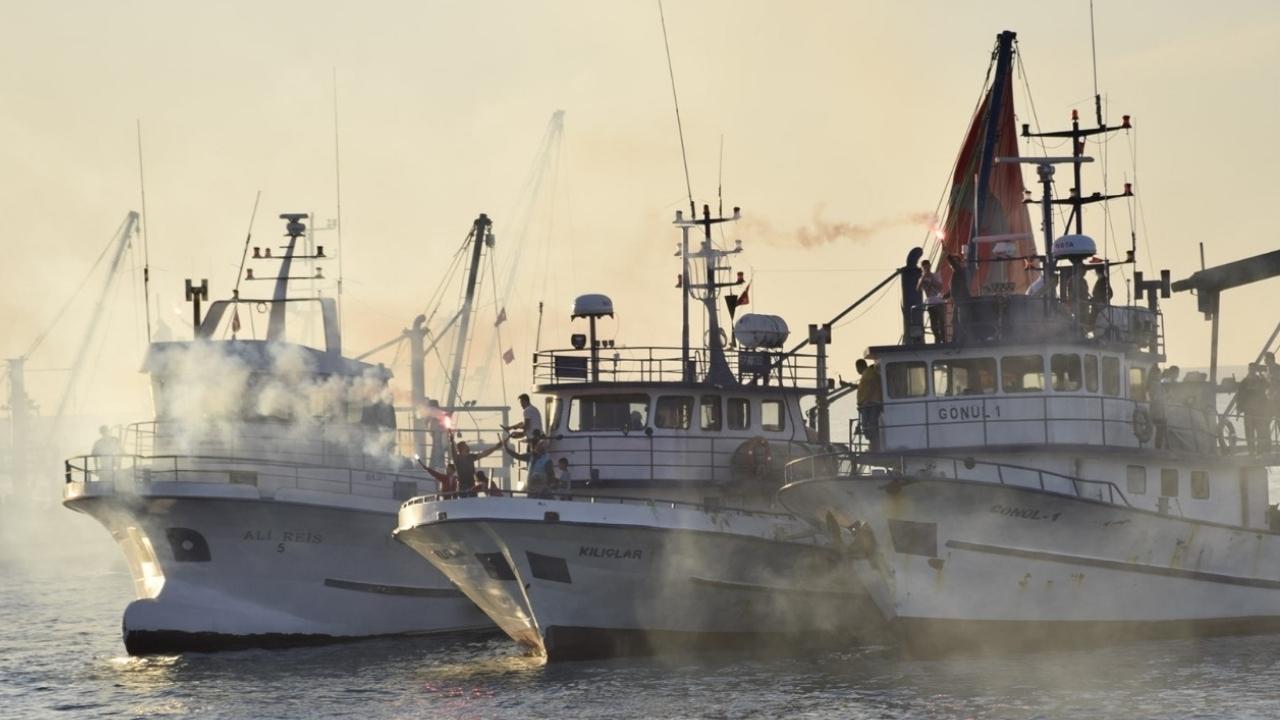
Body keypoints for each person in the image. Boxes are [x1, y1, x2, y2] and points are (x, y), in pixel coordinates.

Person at [1238, 364, 1271, 455]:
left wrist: (1261, 374)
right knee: (1249, 432)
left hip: (1259, 411)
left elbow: (1268, 385)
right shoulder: (1244, 382)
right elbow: (1240, 395)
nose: (1252, 371)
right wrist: (1239, 408)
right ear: (1249, 370)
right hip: (1249, 411)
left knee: (1260, 431)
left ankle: (1260, 450)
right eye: (1251, 369)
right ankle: (1251, 450)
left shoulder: (1260, 380)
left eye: (1253, 369)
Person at [855, 358, 883, 451]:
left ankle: (875, 447)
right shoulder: (868, 374)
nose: (857, 370)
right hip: (870, 404)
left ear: (860, 366)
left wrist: (862, 402)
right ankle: (874, 446)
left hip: (871, 404)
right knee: (870, 426)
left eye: (857, 368)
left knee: (870, 426)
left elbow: (868, 390)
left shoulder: (868, 375)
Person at [918, 259, 946, 343]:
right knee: (933, 325)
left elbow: (940, 287)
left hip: (939, 302)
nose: (926, 268)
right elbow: (918, 288)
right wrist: (923, 277)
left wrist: (932, 279)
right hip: (930, 303)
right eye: (924, 267)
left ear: (930, 266)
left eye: (927, 266)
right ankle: (937, 338)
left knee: (941, 323)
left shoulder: (936, 275)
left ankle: (943, 339)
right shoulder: (922, 279)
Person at [900, 248, 924, 344]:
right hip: (911, 303)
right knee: (912, 315)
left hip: (914, 303)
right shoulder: (913, 272)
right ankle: (913, 337)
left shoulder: (918, 272)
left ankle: (914, 337)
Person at [1146, 363, 1168, 449]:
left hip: (1158, 411)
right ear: (1155, 374)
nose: (1160, 375)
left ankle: (1158, 447)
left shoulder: (1154, 384)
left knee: (1160, 431)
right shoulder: (1155, 385)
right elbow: (1155, 397)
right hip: (1158, 412)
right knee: (1160, 431)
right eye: (1159, 374)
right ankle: (1158, 448)